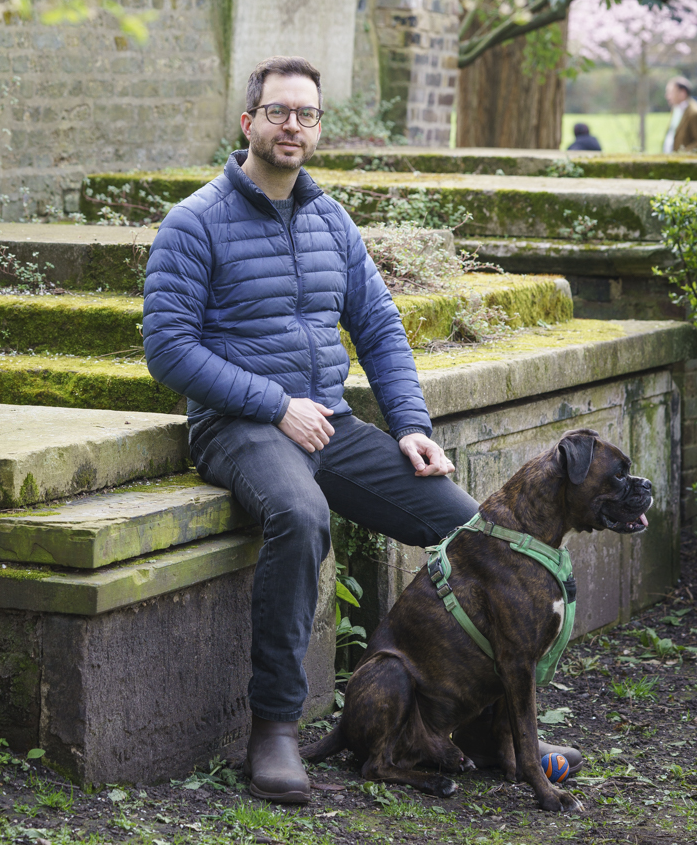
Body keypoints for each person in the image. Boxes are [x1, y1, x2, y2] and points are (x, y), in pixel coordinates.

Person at [143, 55, 580, 803]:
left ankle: (485, 728)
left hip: (332, 426)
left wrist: (410, 425)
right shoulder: (194, 222)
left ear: (318, 127)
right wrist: (274, 404)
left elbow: (378, 327)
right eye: (278, 112)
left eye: (305, 114)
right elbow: (169, 349)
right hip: (241, 427)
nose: (292, 125)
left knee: (470, 529)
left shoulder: (330, 220)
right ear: (248, 122)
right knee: (300, 516)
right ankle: (275, 729)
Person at [663, 77, 697, 153]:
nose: (667, 96)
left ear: (682, 93)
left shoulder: (694, 113)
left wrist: (682, 154)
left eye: (671, 92)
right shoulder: (675, 109)